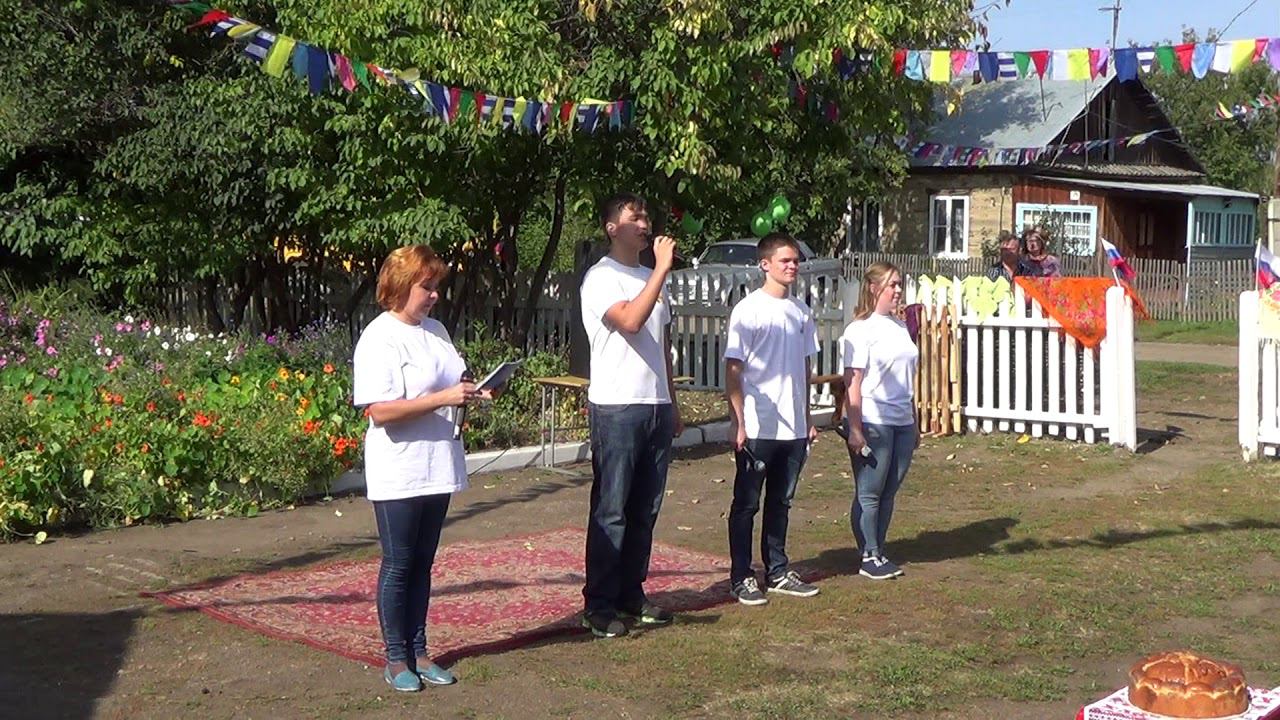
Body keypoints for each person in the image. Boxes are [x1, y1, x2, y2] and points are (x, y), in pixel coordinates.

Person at [352, 245, 492, 692]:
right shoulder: (379, 337)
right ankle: (396, 658)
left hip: (437, 463)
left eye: (436, 287)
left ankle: (420, 651)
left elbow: (452, 381)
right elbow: (379, 411)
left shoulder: (437, 331)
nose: (434, 295)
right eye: (426, 287)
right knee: (399, 563)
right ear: (399, 286)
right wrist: (443, 398)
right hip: (399, 468)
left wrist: (473, 391)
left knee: (424, 563)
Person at [578, 192, 684, 638]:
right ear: (612, 228)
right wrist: (661, 269)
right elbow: (631, 321)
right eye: (634, 217)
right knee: (613, 509)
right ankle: (599, 604)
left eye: (646, 217)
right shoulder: (601, 277)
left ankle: (631, 593)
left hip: (654, 404)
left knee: (645, 508)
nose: (644, 224)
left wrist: (672, 402)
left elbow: (661, 345)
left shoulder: (650, 277)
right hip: (617, 405)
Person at [723, 233, 822, 606]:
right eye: (785, 260)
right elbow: (734, 369)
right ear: (765, 264)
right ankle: (741, 576)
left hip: (792, 428)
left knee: (781, 502)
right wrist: (738, 421)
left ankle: (777, 570)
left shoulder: (801, 312)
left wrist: (807, 418)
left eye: (795, 260)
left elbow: (805, 367)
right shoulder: (748, 310)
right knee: (747, 504)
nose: (792, 266)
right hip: (758, 425)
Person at [840, 261, 919, 580]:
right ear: (874, 288)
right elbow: (853, 383)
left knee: (888, 492)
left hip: (902, 421)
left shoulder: (900, 327)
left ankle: (878, 549)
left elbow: (907, 379)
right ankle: (868, 555)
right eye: (892, 285)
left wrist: (914, 422)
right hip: (873, 420)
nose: (898, 290)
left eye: (900, 284)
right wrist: (855, 428)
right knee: (870, 492)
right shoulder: (859, 330)